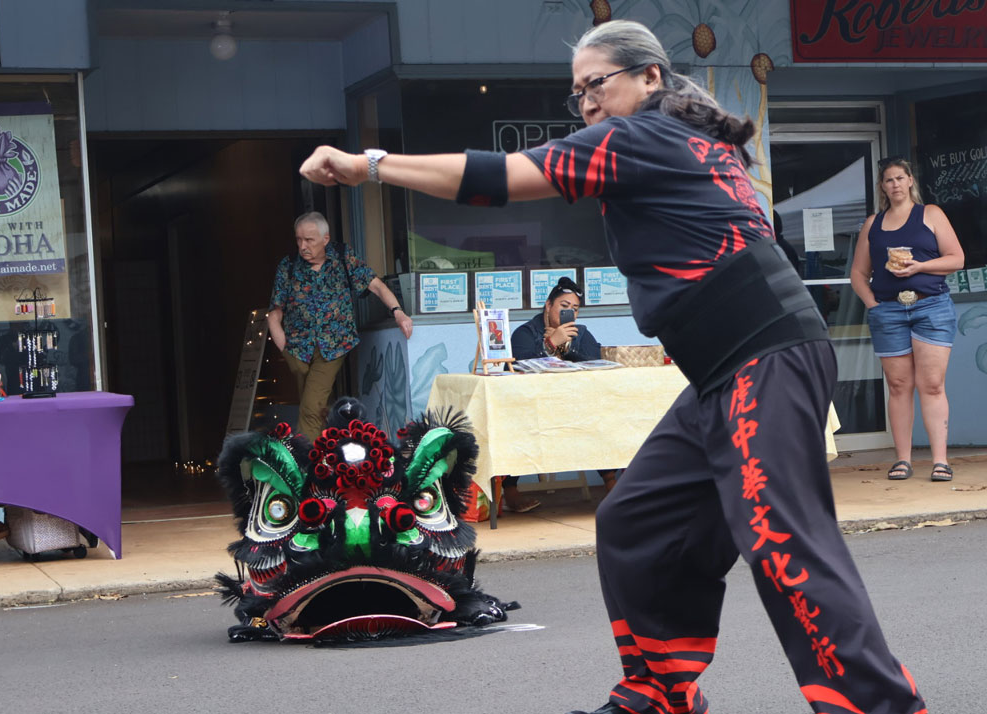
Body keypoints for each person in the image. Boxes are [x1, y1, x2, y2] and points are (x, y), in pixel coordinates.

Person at [298, 19, 926, 714]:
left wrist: (369, 166)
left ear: (650, 77)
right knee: (636, 520)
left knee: (784, 544)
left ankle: (880, 706)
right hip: (726, 370)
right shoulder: (678, 140)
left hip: (763, 357)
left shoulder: (643, 137)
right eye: (578, 95)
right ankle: (659, 693)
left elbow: (501, 176)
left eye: (596, 84)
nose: (587, 103)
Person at [850, 157, 964, 482]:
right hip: (888, 310)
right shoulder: (873, 224)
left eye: (900, 178)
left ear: (911, 180)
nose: (895, 185)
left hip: (931, 306)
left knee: (932, 384)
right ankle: (903, 460)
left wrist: (918, 267)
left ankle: (940, 461)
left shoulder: (930, 214)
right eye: (889, 180)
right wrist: (873, 304)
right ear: (882, 186)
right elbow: (858, 273)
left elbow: (957, 258)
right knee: (899, 386)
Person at [266, 211, 413, 443]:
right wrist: (284, 346)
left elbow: (375, 286)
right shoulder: (289, 266)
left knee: (311, 407)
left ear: (325, 239)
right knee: (317, 405)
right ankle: (330, 453)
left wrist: (398, 312)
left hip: (333, 347)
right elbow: (275, 313)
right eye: (298, 239)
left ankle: (305, 464)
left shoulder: (343, 258)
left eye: (309, 240)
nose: (303, 246)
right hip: (297, 348)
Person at [503, 276, 614, 510]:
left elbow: (597, 362)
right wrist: (550, 344)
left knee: (598, 416)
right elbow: (516, 366)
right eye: (564, 307)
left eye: (575, 309)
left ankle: (612, 484)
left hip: (573, 404)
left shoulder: (581, 333)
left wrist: (569, 347)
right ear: (548, 305)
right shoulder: (525, 332)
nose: (570, 314)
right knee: (516, 423)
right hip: (533, 406)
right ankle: (510, 491)